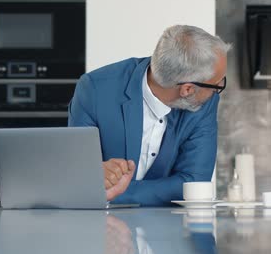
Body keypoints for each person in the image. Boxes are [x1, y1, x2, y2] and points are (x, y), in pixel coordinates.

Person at [68, 25, 230, 206]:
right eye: (218, 84)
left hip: (171, 227)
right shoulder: (95, 89)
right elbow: (77, 176)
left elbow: (194, 184)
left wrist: (116, 193)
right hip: (100, 226)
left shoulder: (204, 102)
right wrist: (94, 175)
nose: (218, 90)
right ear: (187, 89)